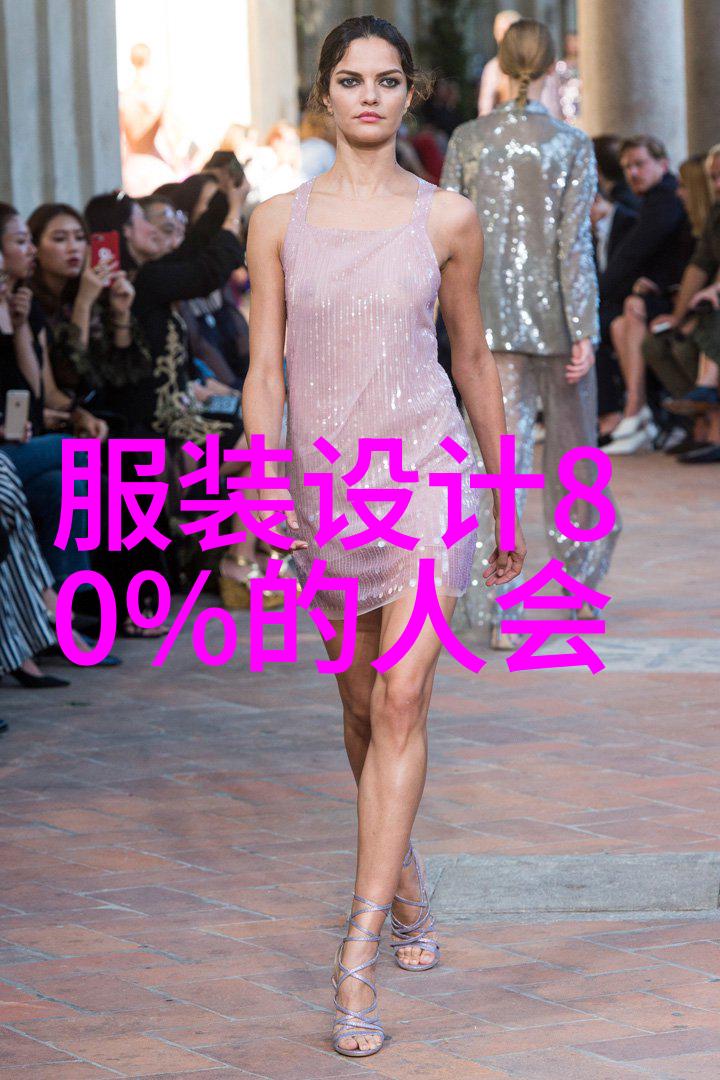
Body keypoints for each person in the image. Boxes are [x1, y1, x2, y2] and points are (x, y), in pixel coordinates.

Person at [242, 14, 525, 1059]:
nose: (370, 96)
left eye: (389, 80)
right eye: (353, 79)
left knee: (403, 696)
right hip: (325, 492)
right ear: (324, 93)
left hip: (427, 473)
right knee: (360, 706)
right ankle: (400, 879)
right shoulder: (275, 221)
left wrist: (506, 493)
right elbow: (264, 371)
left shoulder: (448, 217)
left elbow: (473, 358)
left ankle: (356, 951)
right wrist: (260, 488)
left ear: (412, 94)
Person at [442, 18, 620, 647]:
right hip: (558, 323)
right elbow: (574, 244)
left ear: (500, 61)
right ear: (549, 68)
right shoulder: (570, 143)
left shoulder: (467, 139)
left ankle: (499, 608)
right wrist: (585, 327)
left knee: (497, 462)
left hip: (483, 324)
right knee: (574, 459)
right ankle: (582, 586)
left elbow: (446, 235)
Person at [599, 136, 693, 453]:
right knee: (618, 324)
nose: (633, 173)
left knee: (628, 309)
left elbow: (634, 253)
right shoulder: (652, 200)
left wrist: (599, 293)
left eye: (640, 164)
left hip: (678, 300)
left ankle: (634, 409)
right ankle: (639, 414)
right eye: (627, 167)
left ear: (663, 164)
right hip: (664, 294)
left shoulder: (664, 198)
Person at [478, 9, 562, 120]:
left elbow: (554, 104)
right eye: (499, 31)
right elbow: (485, 108)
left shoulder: (543, 61)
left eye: (508, 32)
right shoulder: (492, 68)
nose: (502, 37)